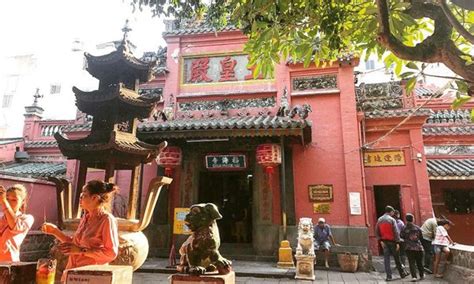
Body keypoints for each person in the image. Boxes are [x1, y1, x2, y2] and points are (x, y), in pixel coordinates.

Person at [42, 180, 119, 281]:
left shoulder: (106, 219)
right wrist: (55, 231)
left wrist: (81, 251)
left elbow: (111, 253)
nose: (80, 198)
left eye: (84, 195)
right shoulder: (86, 217)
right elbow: (75, 245)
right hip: (74, 273)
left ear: (94, 198)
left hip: (91, 276)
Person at [0, 184, 34, 262]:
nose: (9, 202)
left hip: (10, 264)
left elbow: (15, 226)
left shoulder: (27, 218)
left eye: (14, 200)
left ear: (22, 202)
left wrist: (4, 202)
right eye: (7, 199)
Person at [375, 205, 408, 281]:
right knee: (397, 258)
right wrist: (397, 242)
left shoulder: (379, 219)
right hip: (392, 241)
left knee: (386, 259)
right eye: (393, 212)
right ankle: (402, 273)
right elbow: (396, 232)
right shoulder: (392, 220)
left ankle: (388, 276)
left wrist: (380, 241)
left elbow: (376, 231)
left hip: (384, 242)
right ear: (391, 211)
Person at [400, 213, 424, 281]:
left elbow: (401, 236)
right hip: (418, 247)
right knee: (419, 262)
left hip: (408, 247)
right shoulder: (417, 228)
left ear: (406, 220)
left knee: (411, 262)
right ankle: (421, 275)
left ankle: (414, 276)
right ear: (413, 219)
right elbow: (421, 237)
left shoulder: (404, 228)